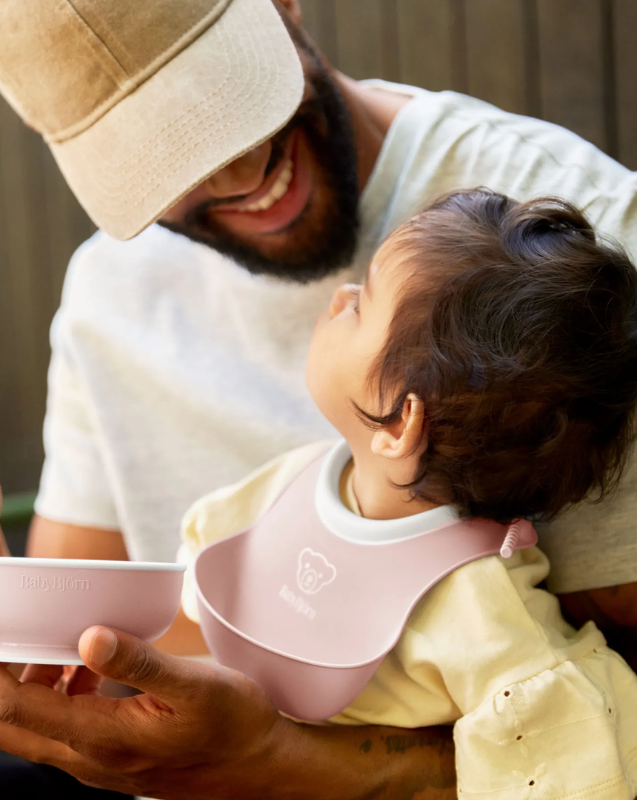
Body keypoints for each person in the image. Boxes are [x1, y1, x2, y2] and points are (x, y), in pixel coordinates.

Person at [0, 0, 635, 796]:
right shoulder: (109, 294)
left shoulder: (578, 289)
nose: (235, 175)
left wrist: (284, 765)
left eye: (225, 102)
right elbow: (80, 683)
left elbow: (579, 749)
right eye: (162, 154)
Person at [179, 189, 637, 796]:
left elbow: (564, 766)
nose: (340, 297)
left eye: (363, 303)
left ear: (398, 425)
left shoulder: (481, 607)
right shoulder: (299, 482)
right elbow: (197, 584)